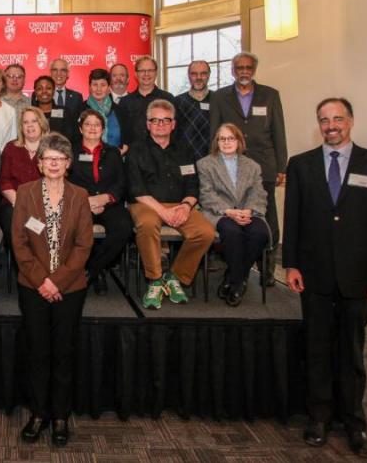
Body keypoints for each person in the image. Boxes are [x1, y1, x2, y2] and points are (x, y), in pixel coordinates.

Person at [283, 98, 367, 458]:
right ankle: (318, 417)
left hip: (359, 277)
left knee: (352, 351)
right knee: (316, 348)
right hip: (313, 273)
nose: (331, 125)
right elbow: (293, 219)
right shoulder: (300, 165)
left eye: (337, 119)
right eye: (324, 120)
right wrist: (290, 265)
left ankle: (354, 422)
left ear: (350, 121)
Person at [12, 132, 93, 447]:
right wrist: (41, 281)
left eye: (60, 158)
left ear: (68, 163)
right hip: (33, 287)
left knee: (64, 353)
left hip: (70, 288)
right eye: (48, 158)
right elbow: (19, 242)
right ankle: (38, 414)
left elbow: (84, 245)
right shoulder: (25, 192)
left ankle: (60, 415)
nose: (54, 163)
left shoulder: (80, 196)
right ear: (40, 163)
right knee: (38, 353)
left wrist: (56, 282)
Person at [126, 99, 215, 309]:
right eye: (155, 120)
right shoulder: (136, 150)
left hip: (179, 204)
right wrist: (163, 212)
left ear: (173, 124)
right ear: (147, 124)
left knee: (206, 232)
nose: (160, 124)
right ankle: (155, 279)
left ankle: (175, 277)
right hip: (146, 204)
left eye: (166, 120)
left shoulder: (185, 150)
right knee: (147, 226)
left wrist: (185, 206)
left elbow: (193, 186)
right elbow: (136, 190)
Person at [210, 52, 287, 286]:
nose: (244, 71)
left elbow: (279, 132)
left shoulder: (270, 95)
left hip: (264, 167)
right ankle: (233, 266)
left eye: (248, 67)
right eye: (239, 67)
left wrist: (281, 165)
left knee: (266, 219)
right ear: (233, 71)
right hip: (230, 167)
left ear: (254, 70)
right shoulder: (220, 97)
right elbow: (214, 132)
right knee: (232, 219)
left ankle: (267, 271)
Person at [197, 123, 269, 307]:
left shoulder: (252, 166)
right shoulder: (205, 164)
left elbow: (258, 193)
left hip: (247, 211)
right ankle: (239, 282)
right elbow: (206, 194)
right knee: (232, 231)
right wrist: (229, 211)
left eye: (231, 138)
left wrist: (250, 211)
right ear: (217, 142)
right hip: (219, 213)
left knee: (260, 233)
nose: (227, 142)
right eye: (222, 138)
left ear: (239, 141)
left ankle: (233, 276)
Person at [68, 109, 131, 294]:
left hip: (108, 203)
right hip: (80, 204)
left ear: (103, 129)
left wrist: (105, 198)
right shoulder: (70, 152)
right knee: (74, 228)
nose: (92, 128)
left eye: (97, 125)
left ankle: (92, 269)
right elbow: (65, 181)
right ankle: (97, 270)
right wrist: (85, 200)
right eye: (88, 124)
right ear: (80, 129)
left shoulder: (113, 152)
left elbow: (122, 181)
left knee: (124, 227)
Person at [0, 106, 48, 246]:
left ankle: (40, 265)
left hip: (44, 203)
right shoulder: (11, 147)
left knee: (42, 234)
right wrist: (18, 201)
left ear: (42, 124)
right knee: (15, 230)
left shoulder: (52, 148)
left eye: (34, 121)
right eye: (25, 122)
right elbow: (3, 179)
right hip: (13, 203)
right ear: (21, 126)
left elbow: (57, 180)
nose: (30, 125)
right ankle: (21, 266)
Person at [119, 56, 175, 145]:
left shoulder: (168, 99)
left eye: (150, 70)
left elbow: (175, 130)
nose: (146, 74)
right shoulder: (125, 102)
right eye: (142, 71)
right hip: (133, 155)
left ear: (156, 73)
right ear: (136, 74)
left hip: (162, 154)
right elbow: (122, 134)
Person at [82, 68, 130, 153]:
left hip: (115, 160)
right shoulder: (80, 110)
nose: (98, 89)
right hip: (87, 160)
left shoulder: (120, 110)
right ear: (89, 87)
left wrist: (118, 153)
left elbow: (127, 139)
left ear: (108, 88)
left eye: (103, 85)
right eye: (95, 85)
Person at [175, 60, 214, 160]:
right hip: (185, 159)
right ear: (188, 75)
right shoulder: (178, 101)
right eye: (194, 74)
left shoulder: (218, 99)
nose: (199, 77)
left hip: (213, 159)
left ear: (209, 75)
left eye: (203, 73)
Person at [31, 75, 77, 142]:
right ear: (35, 92)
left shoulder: (65, 112)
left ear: (53, 91)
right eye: (40, 89)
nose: (44, 91)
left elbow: (71, 138)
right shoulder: (30, 113)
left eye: (48, 88)